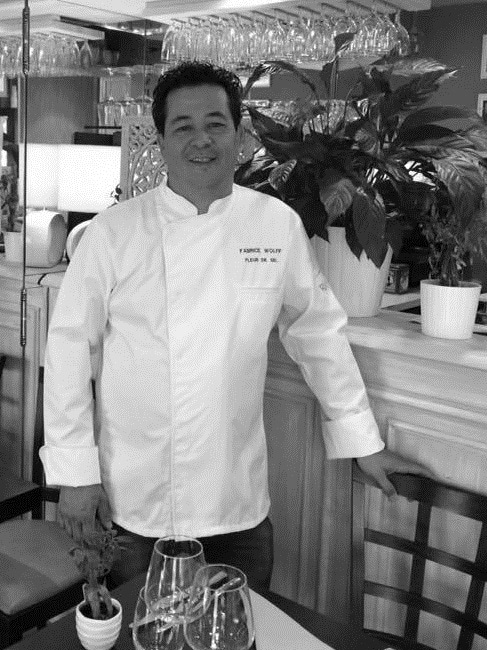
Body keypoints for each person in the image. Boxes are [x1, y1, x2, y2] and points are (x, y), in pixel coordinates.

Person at [39, 61, 432, 593]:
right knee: (143, 632)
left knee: (240, 629)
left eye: (215, 124)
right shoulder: (112, 233)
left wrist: (363, 441)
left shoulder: (275, 225)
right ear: (161, 141)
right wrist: (76, 475)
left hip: (236, 500)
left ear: (240, 136)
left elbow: (317, 334)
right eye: (183, 126)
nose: (201, 139)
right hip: (134, 497)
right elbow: (68, 351)